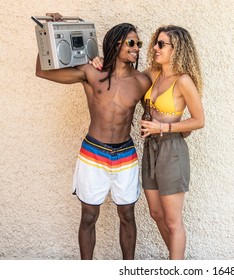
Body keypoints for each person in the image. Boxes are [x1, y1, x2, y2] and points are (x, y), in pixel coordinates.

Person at [35, 13, 151, 259]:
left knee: (128, 214)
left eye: (138, 44)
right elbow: (43, 72)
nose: (136, 48)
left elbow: (152, 112)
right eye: (131, 43)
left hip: (125, 155)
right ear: (116, 44)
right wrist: (51, 27)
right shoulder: (92, 73)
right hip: (93, 153)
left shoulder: (142, 81)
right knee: (88, 215)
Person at [92, 25, 204, 259]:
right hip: (151, 148)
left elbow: (198, 120)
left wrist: (164, 127)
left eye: (161, 44)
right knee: (155, 213)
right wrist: (101, 62)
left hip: (172, 148)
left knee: (173, 221)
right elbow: (123, 76)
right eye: (155, 42)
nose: (154, 47)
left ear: (177, 49)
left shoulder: (183, 81)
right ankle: (176, 258)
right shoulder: (152, 74)